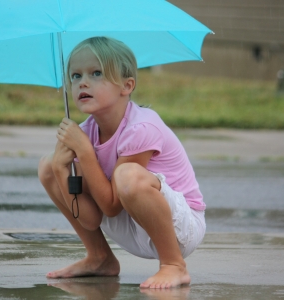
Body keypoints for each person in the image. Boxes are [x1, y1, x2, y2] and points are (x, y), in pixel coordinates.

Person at [38, 36, 206, 289]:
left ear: (126, 86)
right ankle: (100, 257)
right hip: (132, 221)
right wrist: (62, 171)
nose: (83, 82)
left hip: (179, 229)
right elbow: (92, 220)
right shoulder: (86, 132)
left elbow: (112, 206)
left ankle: (174, 265)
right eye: (75, 76)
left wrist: (85, 152)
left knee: (128, 174)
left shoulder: (141, 128)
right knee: (48, 165)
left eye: (96, 73)